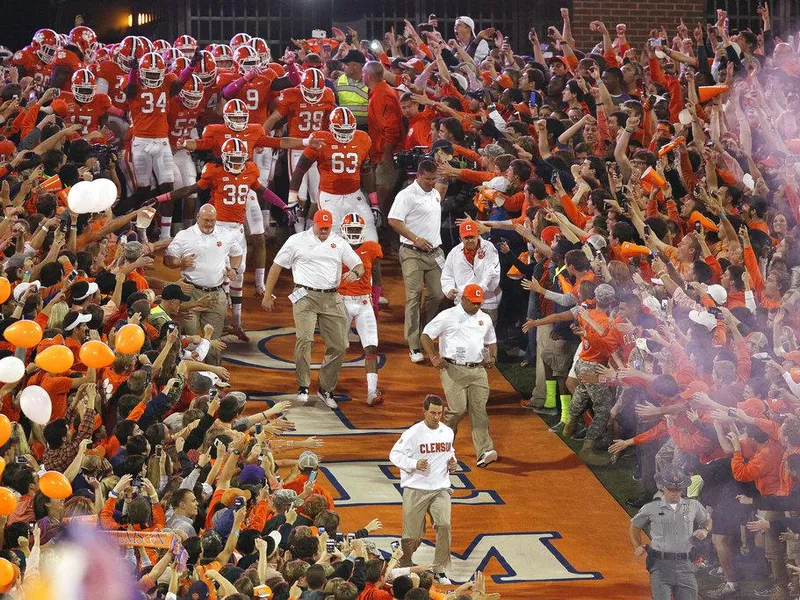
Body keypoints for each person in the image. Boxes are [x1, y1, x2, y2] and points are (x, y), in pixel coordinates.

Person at [261, 209, 364, 407]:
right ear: (313, 224)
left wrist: (355, 274)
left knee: (340, 345)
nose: (324, 231)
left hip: (332, 297)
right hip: (304, 296)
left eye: (327, 228)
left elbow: (358, 265)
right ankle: (303, 385)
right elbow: (276, 266)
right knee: (305, 339)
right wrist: (267, 294)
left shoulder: (339, 242)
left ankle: (326, 388)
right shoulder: (296, 241)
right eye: (321, 227)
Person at [421, 284, 498, 467]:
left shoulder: (484, 318)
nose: (477, 306)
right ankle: (441, 447)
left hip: (478, 371)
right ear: (463, 299)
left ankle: (484, 451)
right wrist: (433, 356)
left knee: (479, 410)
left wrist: (493, 357)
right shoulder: (448, 316)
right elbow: (426, 335)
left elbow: (491, 341)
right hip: (452, 369)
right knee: (457, 409)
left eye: (479, 303)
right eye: (473, 302)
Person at [389, 395, 456, 585]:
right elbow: (394, 454)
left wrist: (453, 463)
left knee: (444, 525)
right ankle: (406, 561)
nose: (436, 417)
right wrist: (413, 463)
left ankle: (440, 568)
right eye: (433, 413)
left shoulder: (448, 432)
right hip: (416, 488)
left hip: (440, 488)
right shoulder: (413, 433)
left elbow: (450, 452)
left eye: (440, 413)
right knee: (412, 536)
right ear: (424, 411)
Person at [164, 204, 243, 362]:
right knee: (189, 339)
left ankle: (212, 379)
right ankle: (185, 380)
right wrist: (180, 262)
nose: (209, 224)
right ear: (198, 217)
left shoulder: (225, 235)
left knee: (214, 342)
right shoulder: (184, 236)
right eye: (206, 220)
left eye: (213, 221)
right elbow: (167, 259)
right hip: (190, 293)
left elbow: (237, 253)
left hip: (216, 295)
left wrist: (233, 269)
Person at [388, 160, 444, 363]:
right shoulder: (406, 195)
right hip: (412, 252)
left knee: (438, 294)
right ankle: (413, 345)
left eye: (434, 178)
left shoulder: (435, 193)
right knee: (414, 296)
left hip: (435, 252)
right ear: (418, 176)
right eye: (428, 179)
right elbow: (393, 220)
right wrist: (415, 239)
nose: (431, 182)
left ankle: (424, 331)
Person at [630, 466, 712, 600]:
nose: (674, 493)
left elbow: (707, 520)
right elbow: (634, 527)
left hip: (686, 565)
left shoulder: (693, 506)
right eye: (671, 489)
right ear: (663, 487)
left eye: (678, 490)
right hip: (660, 566)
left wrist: (705, 530)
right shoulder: (651, 508)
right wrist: (637, 545)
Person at [338, 212, 385, 406]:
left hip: (364, 301)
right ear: (343, 230)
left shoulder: (372, 248)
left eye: (357, 229)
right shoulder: (336, 247)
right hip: (342, 300)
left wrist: (375, 301)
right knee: (338, 347)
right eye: (351, 229)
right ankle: (327, 386)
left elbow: (377, 276)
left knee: (371, 346)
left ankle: (372, 392)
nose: (354, 233)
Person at [440, 220, 502, 323]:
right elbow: (447, 275)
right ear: (460, 238)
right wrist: (449, 289)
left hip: (486, 303)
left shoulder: (489, 248)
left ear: (478, 235)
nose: (469, 240)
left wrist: (477, 291)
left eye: (472, 237)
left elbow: (492, 274)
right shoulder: (454, 253)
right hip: (463, 304)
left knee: (485, 338)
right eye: (466, 238)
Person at [334, 50, 369, 130]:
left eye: (346, 65)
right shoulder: (339, 81)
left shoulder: (370, 79)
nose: (343, 67)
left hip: (367, 127)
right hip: (344, 126)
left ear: (356, 66)